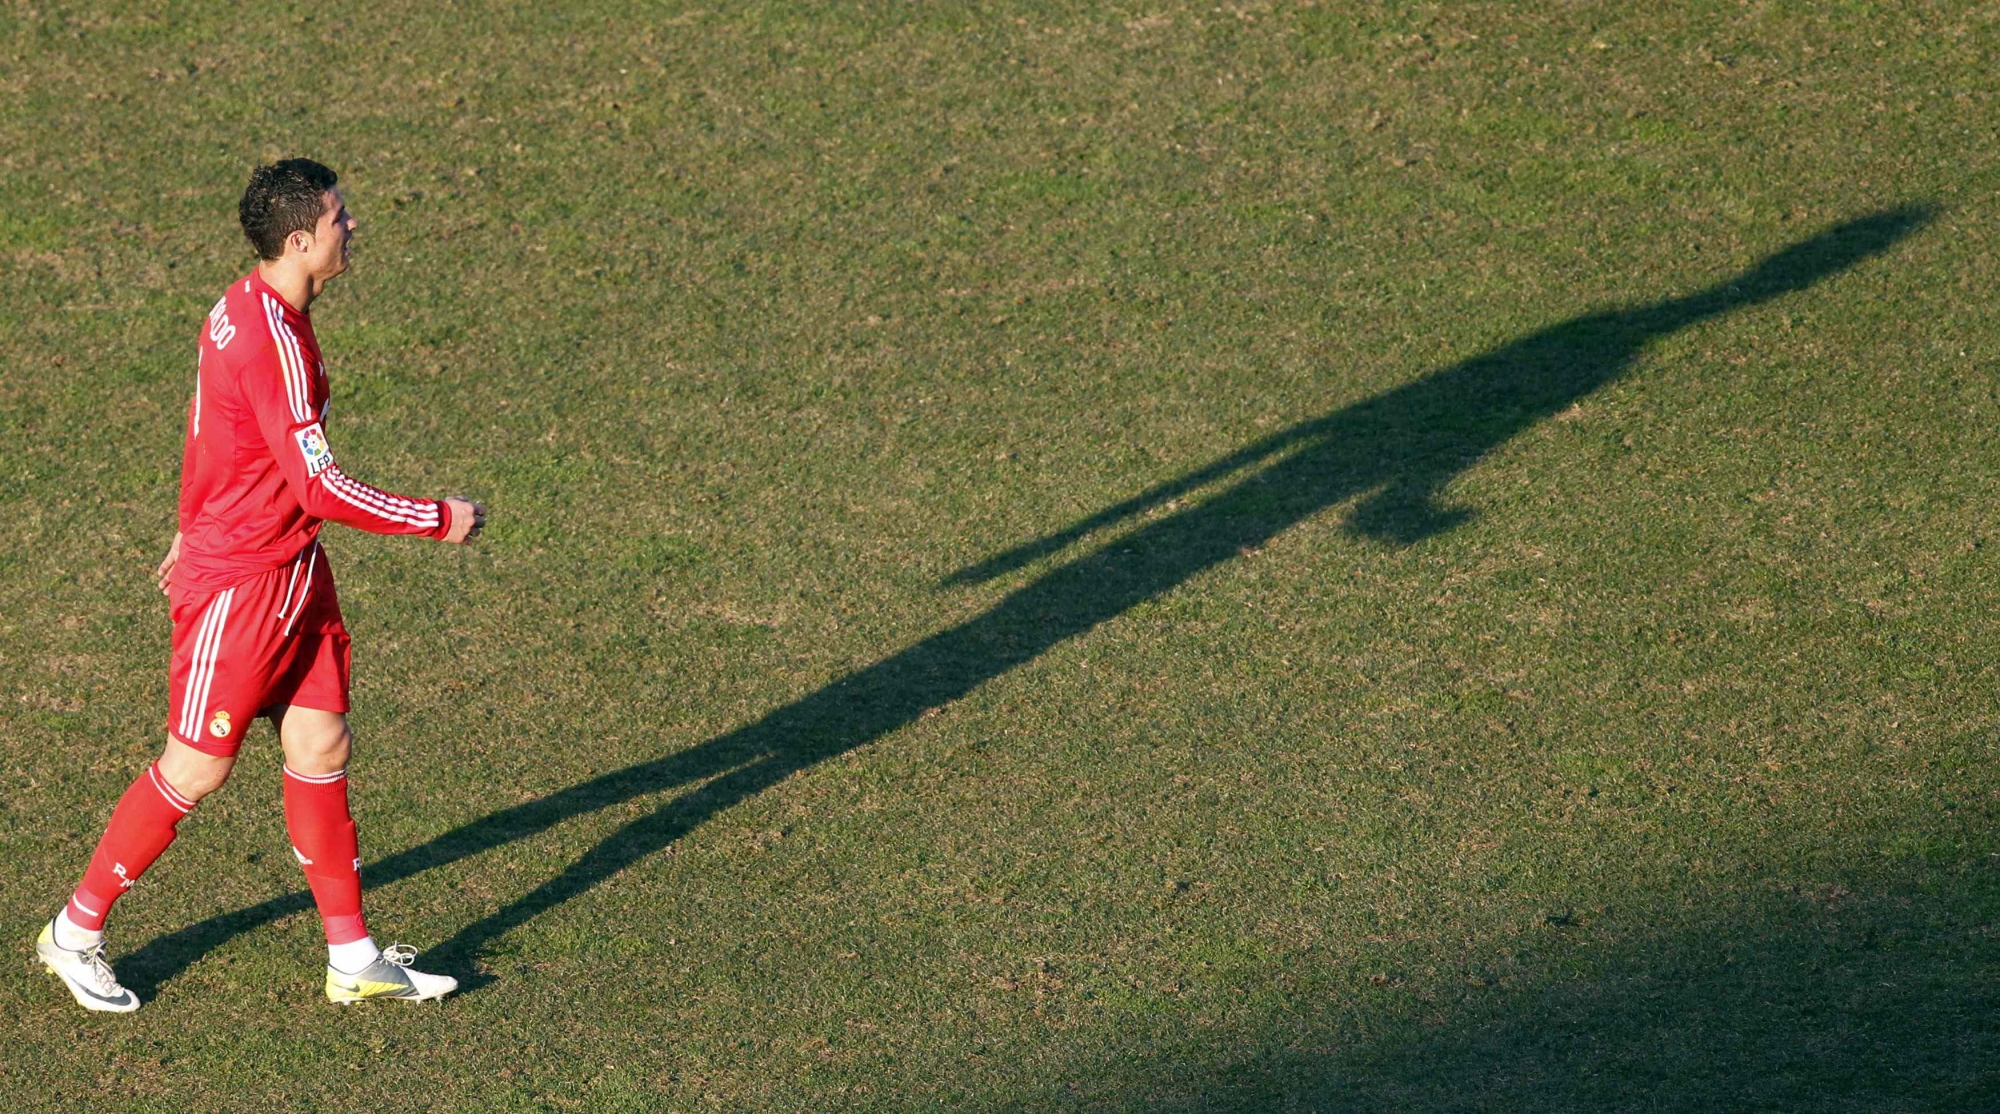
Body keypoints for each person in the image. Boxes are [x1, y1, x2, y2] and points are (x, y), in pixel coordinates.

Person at [35, 158, 487, 1011]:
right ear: (300, 239)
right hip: (242, 586)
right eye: (341, 218)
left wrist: (188, 517)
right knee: (194, 770)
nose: (354, 227)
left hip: (293, 571)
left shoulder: (242, 305)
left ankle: (351, 958)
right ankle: (75, 932)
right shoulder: (273, 341)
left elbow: (212, 428)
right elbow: (321, 485)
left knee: (321, 748)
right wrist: (435, 518)